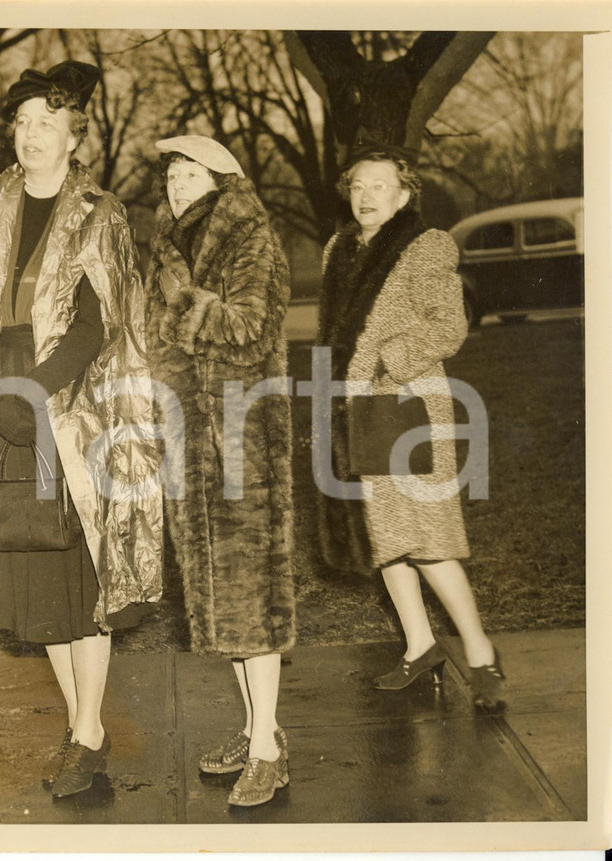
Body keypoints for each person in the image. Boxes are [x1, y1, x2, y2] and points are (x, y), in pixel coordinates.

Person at [0, 61, 162, 797]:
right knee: (35, 579)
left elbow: (97, 323)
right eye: (23, 122)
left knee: (80, 577)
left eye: (49, 122)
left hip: (67, 410)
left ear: (76, 137)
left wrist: (34, 393)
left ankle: (86, 732)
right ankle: (86, 728)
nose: (33, 134)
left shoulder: (102, 217)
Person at [315, 145, 504, 708]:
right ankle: (420, 647)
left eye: (380, 185)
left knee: (428, 539)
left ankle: (480, 653)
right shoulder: (338, 249)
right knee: (384, 538)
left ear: (403, 193)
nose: (366, 196)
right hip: (353, 408)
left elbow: (450, 324)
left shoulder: (424, 246)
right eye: (358, 186)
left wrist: (389, 360)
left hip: (408, 408)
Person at [144, 136, 295, 807]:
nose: (177, 184)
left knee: (252, 601)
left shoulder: (250, 237)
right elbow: (159, 342)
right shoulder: (169, 247)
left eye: (191, 172)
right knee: (222, 602)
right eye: (172, 174)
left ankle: (267, 750)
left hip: (243, 441)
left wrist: (182, 303)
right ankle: (256, 726)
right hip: (192, 439)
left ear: (224, 179)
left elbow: (250, 327)